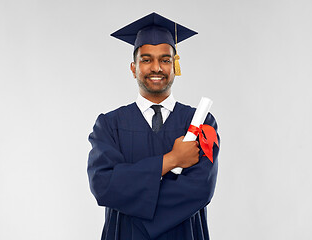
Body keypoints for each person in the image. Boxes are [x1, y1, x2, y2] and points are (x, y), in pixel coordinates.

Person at [87, 12, 220, 240]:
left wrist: (131, 197)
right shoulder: (109, 125)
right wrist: (172, 160)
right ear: (133, 68)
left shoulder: (201, 123)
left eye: (165, 59)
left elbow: (200, 190)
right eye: (146, 59)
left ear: (174, 66)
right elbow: (103, 185)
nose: (156, 67)